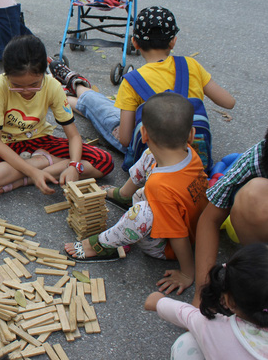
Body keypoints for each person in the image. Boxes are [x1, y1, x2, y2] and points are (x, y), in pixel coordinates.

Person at [65, 93, 208, 295]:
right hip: (190, 220)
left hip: (165, 247)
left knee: (140, 213)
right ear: (191, 135)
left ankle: (104, 244)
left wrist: (187, 273)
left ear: (144, 134)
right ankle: (125, 194)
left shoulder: (160, 186)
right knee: (150, 155)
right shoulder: (191, 154)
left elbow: (178, 236)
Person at [51, 6, 235, 159]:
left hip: (152, 155)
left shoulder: (133, 81)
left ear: (135, 43)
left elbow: (124, 139)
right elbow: (228, 102)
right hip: (192, 151)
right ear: (173, 42)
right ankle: (73, 87)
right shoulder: (190, 65)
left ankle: (69, 89)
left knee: (105, 110)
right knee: (111, 107)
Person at [0, 34, 113, 196]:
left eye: (34, 84)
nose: (26, 91)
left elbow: (74, 137)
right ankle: (43, 163)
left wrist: (74, 166)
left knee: (103, 161)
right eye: (17, 86)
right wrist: (35, 170)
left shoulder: (53, 86)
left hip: (41, 141)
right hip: (8, 144)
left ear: (44, 73)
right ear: (6, 75)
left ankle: (24, 179)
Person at [194, 106, 268, 306]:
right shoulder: (259, 156)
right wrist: (202, 293)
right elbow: (209, 219)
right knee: (254, 195)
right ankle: (266, 271)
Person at [146, 243, 268, 360]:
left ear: (230, 301)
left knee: (186, 343)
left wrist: (158, 302)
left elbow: (185, 314)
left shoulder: (215, 328)